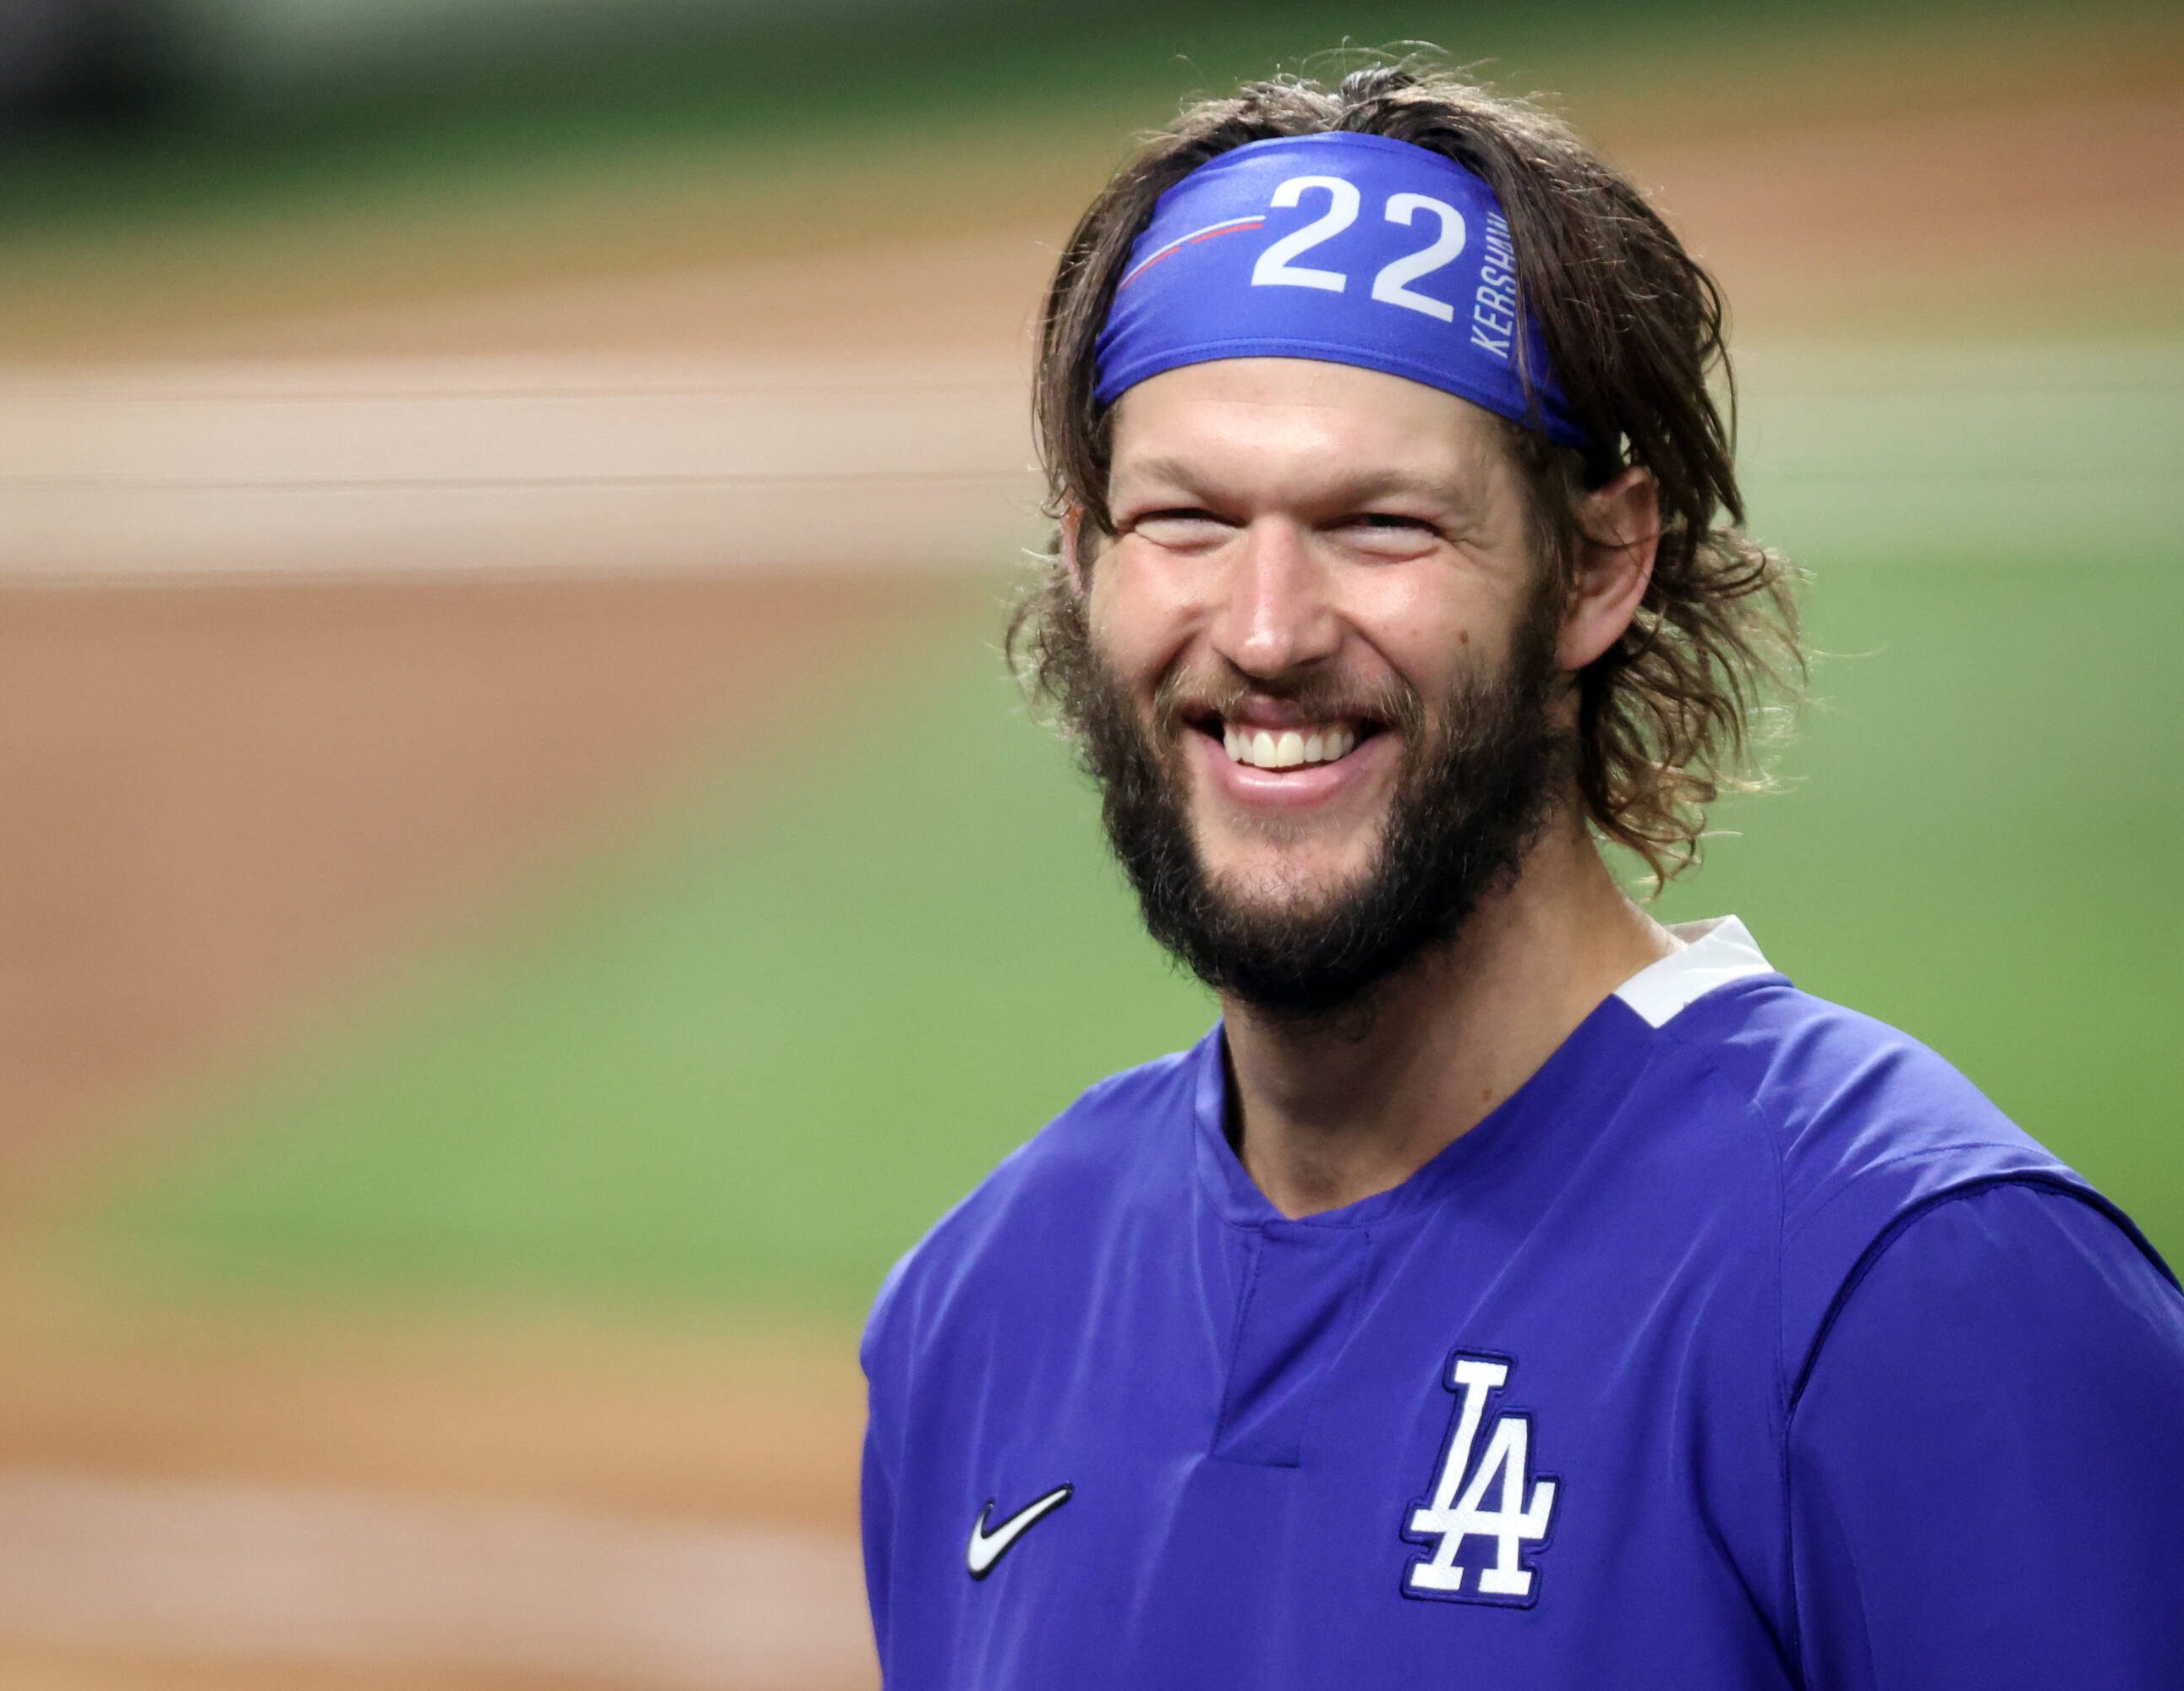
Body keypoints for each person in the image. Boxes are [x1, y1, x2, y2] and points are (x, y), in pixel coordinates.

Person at [856, 58, 2184, 1689]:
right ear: (1084, 562)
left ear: (1599, 564)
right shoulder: (984, 1307)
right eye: (1186, 518)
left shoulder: (1907, 1292)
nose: (1266, 631)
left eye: (1384, 525)